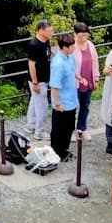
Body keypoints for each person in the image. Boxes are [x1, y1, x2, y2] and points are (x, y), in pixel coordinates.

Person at [49, 32, 78, 162]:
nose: (74, 48)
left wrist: (79, 77)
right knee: (58, 129)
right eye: (72, 46)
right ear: (64, 47)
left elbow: (73, 70)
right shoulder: (58, 64)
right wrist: (57, 103)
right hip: (62, 102)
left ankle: (64, 149)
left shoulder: (70, 57)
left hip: (71, 99)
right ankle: (57, 151)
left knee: (69, 127)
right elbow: (54, 86)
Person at [24, 20, 53, 140]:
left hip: (44, 77)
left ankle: (30, 125)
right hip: (38, 80)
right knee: (42, 105)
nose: (52, 33)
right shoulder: (34, 45)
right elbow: (31, 64)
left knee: (34, 101)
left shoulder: (46, 41)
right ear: (41, 31)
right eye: (49, 31)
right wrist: (35, 82)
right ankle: (39, 131)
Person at [73, 22, 101, 140]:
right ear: (75, 34)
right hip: (75, 82)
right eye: (80, 36)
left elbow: (95, 62)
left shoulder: (90, 45)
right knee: (72, 107)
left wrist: (96, 79)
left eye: (85, 35)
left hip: (88, 80)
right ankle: (70, 130)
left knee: (85, 105)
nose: (83, 38)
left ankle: (82, 128)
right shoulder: (71, 47)